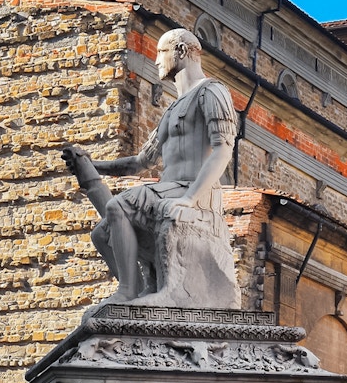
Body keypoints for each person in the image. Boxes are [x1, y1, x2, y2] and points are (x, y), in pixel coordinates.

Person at [62, 28, 237, 305]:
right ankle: (140, 290)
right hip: (169, 191)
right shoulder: (171, 111)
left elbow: (224, 148)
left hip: (196, 195)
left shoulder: (212, 92)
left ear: (180, 51)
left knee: (117, 206)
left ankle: (128, 291)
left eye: (161, 52)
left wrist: (190, 199)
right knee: (101, 233)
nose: (156, 60)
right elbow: (139, 163)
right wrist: (91, 166)